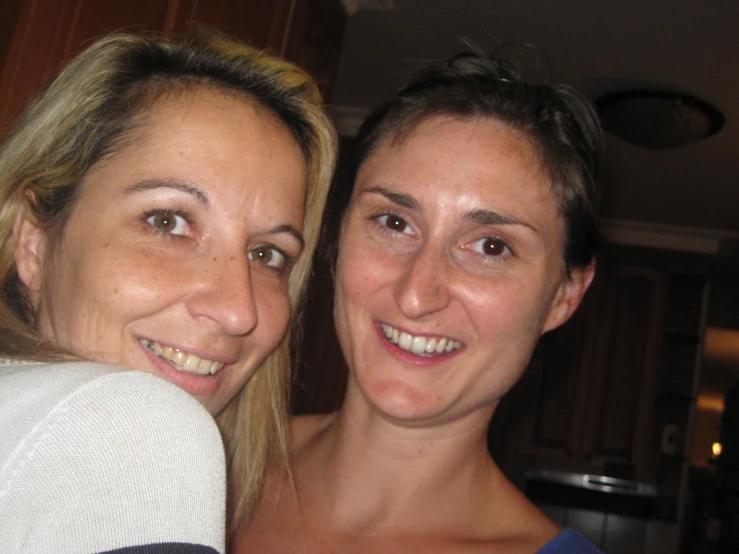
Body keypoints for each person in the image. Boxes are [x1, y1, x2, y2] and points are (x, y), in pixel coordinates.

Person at [235, 51, 604, 553]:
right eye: (393, 223)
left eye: (491, 246)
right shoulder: (200, 459)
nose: (415, 295)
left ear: (564, 296)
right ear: (338, 236)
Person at [0, 29, 336, 553]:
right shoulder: (139, 428)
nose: (237, 310)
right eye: (167, 220)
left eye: (267, 255)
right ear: (34, 239)